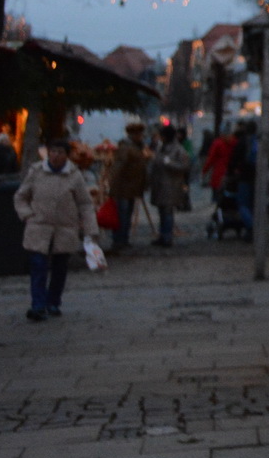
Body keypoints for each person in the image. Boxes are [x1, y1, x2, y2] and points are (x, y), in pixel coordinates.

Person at [13, 139, 98, 320]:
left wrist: (90, 230)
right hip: (39, 226)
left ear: (66, 155)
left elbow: (85, 204)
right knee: (38, 265)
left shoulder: (74, 175)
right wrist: (28, 214)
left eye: (60, 152)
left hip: (64, 228)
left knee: (60, 267)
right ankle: (38, 305)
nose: (55, 155)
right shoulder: (36, 171)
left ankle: (53, 302)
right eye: (52, 151)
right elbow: (21, 196)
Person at [105, 121, 150, 252]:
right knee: (122, 215)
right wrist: (113, 184)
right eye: (139, 134)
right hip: (123, 187)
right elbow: (119, 167)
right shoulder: (126, 148)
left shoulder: (137, 147)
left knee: (127, 214)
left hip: (132, 187)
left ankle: (123, 239)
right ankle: (119, 240)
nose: (141, 136)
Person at [147, 124, 191, 247]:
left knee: (167, 212)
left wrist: (169, 163)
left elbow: (184, 166)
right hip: (160, 185)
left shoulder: (178, 149)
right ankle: (163, 235)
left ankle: (167, 237)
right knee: (162, 211)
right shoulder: (161, 148)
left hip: (171, 185)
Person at [226, 122, 257, 234]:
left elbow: (234, 159)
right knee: (253, 203)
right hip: (257, 176)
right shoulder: (258, 141)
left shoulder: (242, 142)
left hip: (244, 176)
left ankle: (250, 225)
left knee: (243, 203)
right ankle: (253, 224)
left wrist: (231, 173)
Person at [201, 129, 233, 194]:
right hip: (229, 172)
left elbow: (211, 158)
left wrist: (204, 170)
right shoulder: (232, 143)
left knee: (216, 195)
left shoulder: (217, 143)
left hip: (218, 172)